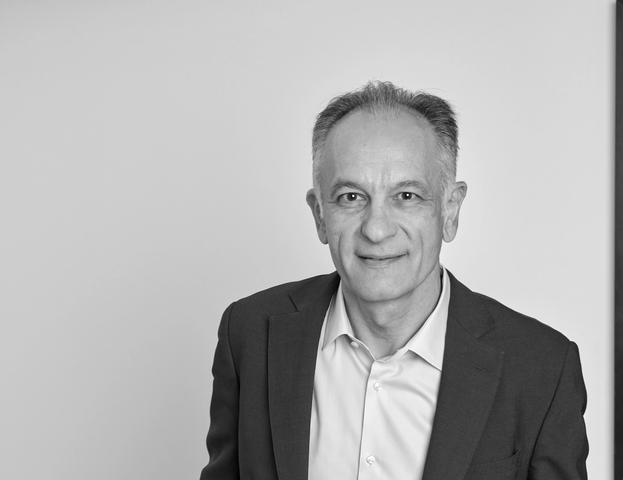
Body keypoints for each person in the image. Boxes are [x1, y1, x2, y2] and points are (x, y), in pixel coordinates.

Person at [200, 81, 588, 480]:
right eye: (351, 197)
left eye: (406, 196)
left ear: (450, 210)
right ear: (320, 215)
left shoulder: (541, 368)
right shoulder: (250, 336)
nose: (377, 229)